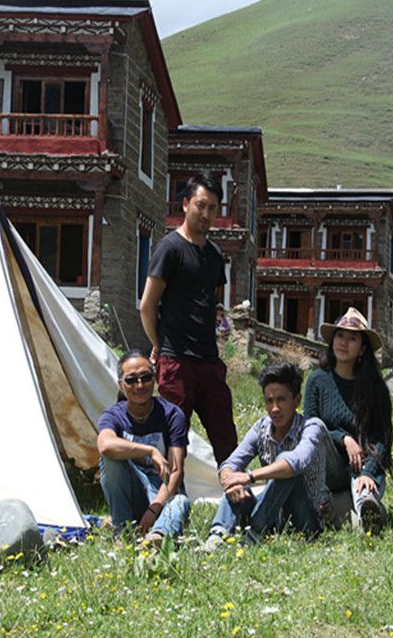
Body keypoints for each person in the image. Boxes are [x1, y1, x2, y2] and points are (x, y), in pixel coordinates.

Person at [139, 171, 238, 465]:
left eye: (212, 208)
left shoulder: (215, 255)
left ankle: (234, 489)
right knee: (174, 442)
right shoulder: (170, 248)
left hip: (209, 362)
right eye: (200, 205)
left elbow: (208, 304)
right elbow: (147, 306)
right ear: (185, 204)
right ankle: (169, 491)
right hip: (177, 361)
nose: (206, 214)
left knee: (227, 439)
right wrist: (159, 344)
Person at [199, 363, 329, 550]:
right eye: (269, 401)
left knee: (285, 466)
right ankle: (217, 536)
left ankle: (254, 534)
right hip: (271, 512)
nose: (274, 408)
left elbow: (296, 462)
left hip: (306, 517)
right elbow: (231, 463)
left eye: (281, 400)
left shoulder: (312, 427)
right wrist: (230, 480)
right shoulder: (261, 427)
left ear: (297, 400)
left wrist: (249, 476)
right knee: (236, 484)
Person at [304, 307, 393, 533]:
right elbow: (309, 429)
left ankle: (367, 508)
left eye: (352, 338)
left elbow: (381, 438)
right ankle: (357, 507)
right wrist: (344, 438)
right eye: (340, 335)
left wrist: (368, 472)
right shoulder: (317, 381)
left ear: (362, 348)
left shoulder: (375, 388)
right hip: (329, 467)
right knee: (315, 427)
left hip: (361, 465)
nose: (343, 343)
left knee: (362, 489)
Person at [97, 351, 191, 547]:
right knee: (109, 458)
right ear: (121, 385)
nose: (139, 385)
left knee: (181, 502)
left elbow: (175, 471)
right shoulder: (113, 416)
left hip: (162, 495)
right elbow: (105, 445)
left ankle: (157, 537)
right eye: (131, 380)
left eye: (146, 377)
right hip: (134, 491)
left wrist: (154, 509)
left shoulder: (172, 415)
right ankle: (122, 531)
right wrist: (150, 451)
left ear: (154, 379)